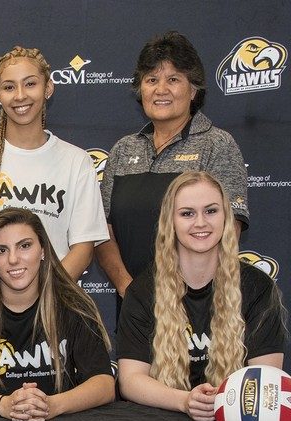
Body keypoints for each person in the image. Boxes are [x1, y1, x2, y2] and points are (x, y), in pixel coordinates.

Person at [117, 172, 285, 421]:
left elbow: (266, 377)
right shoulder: (143, 291)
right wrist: (184, 401)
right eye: (187, 213)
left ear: (227, 217)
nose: (200, 223)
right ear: (170, 222)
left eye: (211, 211)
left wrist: (220, 399)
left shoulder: (257, 287)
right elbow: (130, 380)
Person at [97, 31, 249, 303]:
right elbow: (103, 231)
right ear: (140, 88)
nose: (161, 89)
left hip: (197, 306)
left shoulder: (218, 145)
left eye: (174, 79)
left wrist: (183, 292)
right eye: (151, 80)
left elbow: (229, 228)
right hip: (133, 307)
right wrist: (129, 290)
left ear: (193, 90)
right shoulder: (122, 150)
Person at [0, 207, 114, 421]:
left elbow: (103, 384)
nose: (13, 259)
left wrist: (52, 405)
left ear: (43, 249)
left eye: (24, 246)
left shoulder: (71, 303)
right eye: (1, 250)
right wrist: (3, 405)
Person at [0, 45, 108, 286]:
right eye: (9, 87)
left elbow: (82, 248)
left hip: (50, 307)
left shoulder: (76, 161)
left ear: (48, 88)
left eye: (30, 84)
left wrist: (42, 299)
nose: (20, 95)